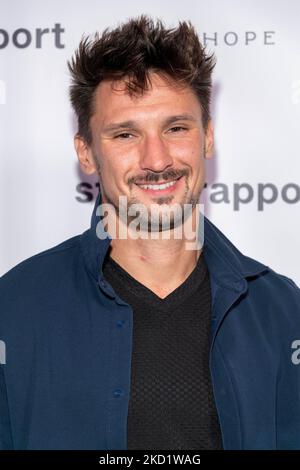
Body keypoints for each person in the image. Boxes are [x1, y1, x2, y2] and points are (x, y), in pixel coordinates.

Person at [0, 14, 299, 451]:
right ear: (86, 153)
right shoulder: (14, 305)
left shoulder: (282, 310)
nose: (156, 160)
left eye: (176, 128)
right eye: (125, 134)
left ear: (207, 138)